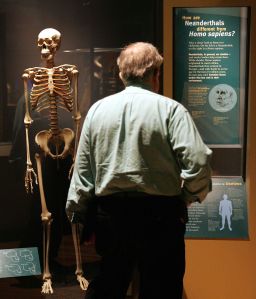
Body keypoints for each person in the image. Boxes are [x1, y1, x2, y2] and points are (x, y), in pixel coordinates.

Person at [66, 42, 212, 299]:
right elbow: (198, 162)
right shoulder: (171, 110)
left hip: (111, 215)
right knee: (161, 289)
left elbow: (83, 169)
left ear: (121, 74)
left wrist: (78, 213)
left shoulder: (97, 111)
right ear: (155, 74)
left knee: (109, 286)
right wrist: (185, 197)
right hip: (160, 216)